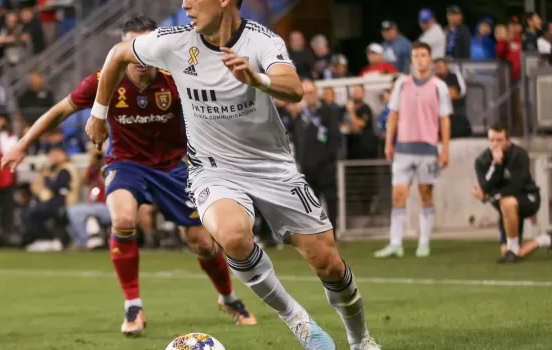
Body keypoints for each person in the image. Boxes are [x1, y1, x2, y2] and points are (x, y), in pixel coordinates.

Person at [83, 2, 381, 349]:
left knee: (329, 264)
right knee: (234, 238)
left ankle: (360, 339)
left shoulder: (261, 41)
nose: (185, 5)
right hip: (213, 168)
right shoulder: (173, 42)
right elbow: (118, 54)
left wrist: (258, 79)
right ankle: (298, 320)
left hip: (271, 166)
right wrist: (99, 114)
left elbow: (294, 87)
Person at [2, 15, 257, 336]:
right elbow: (60, 110)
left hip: (172, 168)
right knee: (123, 221)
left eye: (147, 46)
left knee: (202, 242)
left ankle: (228, 298)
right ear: (121, 49)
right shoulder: (105, 80)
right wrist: (23, 144)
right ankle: (133, 307)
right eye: (132, 48)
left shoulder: (176, 77)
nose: (140, 56)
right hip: (126, 164)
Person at [375, 42, 451, 259]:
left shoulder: (439, 86)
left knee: (426, 195)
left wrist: (444, 149)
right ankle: (395, 243)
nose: (419, 59)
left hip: (428, 149)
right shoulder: (402, 84)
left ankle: (424, 242)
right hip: (403, 148)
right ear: (412, 59)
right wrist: (389, 143)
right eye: (416, 55)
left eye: (423, 55)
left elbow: (444, 120)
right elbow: (393, 114)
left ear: (430, 59)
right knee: (398, 195)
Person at [473, 124, 552, 263]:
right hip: (505, 208)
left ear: (508, 141)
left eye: (499, 140)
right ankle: (546, 239)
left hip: (528, 198)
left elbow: (515, 187)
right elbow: (485, 186)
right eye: (492, 140)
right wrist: (496, 164)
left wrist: (490, 196)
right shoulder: (482, 161)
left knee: (507, 201)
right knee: (508, 251)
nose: (495, 144)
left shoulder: (519, 155)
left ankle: (514, 250)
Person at [288, 80, 342, 228]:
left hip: (326, 167)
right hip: (307, 168)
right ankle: (318, 232)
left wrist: (331, 160)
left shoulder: (328, 112)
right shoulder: (299, 116)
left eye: (311, 92)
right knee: (312, 204)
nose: (309, 96)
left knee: (331, 200)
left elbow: (335, 138)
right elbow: (296, 139)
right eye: (305, 93)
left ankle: (334, 232)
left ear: (316, 93)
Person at [24, 146, 79, 252]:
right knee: (32, 212)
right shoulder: (60, 169)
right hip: (59, 202)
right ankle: (45, 240)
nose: (53, 158)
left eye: (56, 155)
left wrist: (47, 177)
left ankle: (49, 240)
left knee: (34, 213)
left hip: (64, 203)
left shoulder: (66, 169)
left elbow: (56, 186)